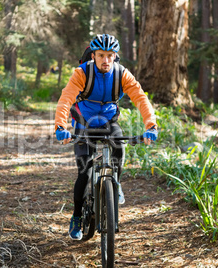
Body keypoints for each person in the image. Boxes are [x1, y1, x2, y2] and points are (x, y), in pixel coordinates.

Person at [54, 34, 158, 240]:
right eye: (101, 55)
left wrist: (151, 126)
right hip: (84, 122)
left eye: (110, 55)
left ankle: (115, 184)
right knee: (84, 172)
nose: (105, 60)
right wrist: (60, 126)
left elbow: (140, 98)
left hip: (108, 121)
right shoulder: (82, 73)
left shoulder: (121, 74)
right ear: (93, 55)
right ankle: (76, 217)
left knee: (119, 146)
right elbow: (66, 99)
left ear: (115, 56)